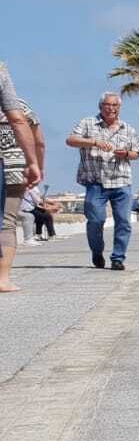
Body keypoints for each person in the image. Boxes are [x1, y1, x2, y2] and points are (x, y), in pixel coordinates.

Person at [66, 92, 139, 270]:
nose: (111, 108)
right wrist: (94, 142)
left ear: (119, 108)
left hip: (121, 181)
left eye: (115, 105)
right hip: (95, 182)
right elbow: (70, 140)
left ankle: (118, 258)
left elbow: (136, 152)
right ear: (101, 106)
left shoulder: (128, 129)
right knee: (96, 220)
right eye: (108, 105)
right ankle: (97, 251)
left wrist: (127, 154)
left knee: (123, 221)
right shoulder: (87, 123)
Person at [1, 64, 44, 293]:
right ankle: (3, 278)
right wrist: (35, 164)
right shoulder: (23, 107)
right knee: (7, 222)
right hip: (15, 169)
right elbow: (39, 141)